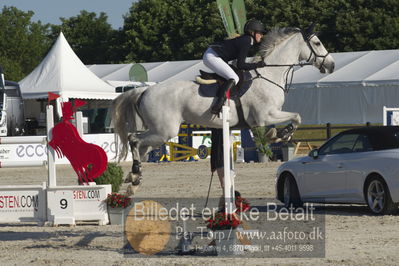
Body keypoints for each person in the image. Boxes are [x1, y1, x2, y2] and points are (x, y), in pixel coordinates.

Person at [203, 19, 267, 114]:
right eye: (260, 33)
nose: (262, 36)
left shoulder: (246, 39)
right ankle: (218, 105)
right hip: (212, 56)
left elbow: (238, 63)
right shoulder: (247, 40)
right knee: (234, 78)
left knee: (233, 74)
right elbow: (241, 65)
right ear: (252, 32)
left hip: (214, 55)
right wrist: (258, 65)